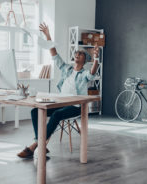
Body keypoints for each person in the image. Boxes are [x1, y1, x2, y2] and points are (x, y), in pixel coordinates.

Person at [17, 23, 99, 158]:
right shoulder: (66, 69)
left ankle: (35, 146)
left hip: (76, 106)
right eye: (76, 53)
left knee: (56, 115)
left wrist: (96, 58)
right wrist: (48, 35)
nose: (77, 54)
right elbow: (54, 54)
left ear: (85, 60)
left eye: (81, 54)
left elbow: (92, 73)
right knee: (35, 111)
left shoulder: (84, 74)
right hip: (61, 103)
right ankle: (42, 144)